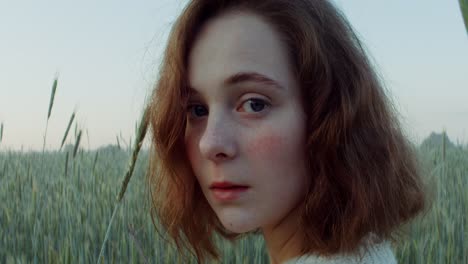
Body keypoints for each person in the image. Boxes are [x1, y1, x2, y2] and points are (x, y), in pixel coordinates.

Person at [147, 0, 427, 263]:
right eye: (197, 110)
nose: (209, 143)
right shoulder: (369, 251)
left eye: (254, 104)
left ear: (329, 115)